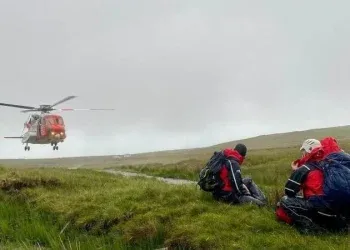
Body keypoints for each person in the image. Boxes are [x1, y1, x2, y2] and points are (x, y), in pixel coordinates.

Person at [275, 137, 348, 233]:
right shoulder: (328, 163)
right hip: (336, 211)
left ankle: (311, 227)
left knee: (285, 201)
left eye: (303, 151)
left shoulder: (305, 168)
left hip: (321, 210)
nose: (302, 154)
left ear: (308, 151)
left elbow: (289, 191)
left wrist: (296, 172)